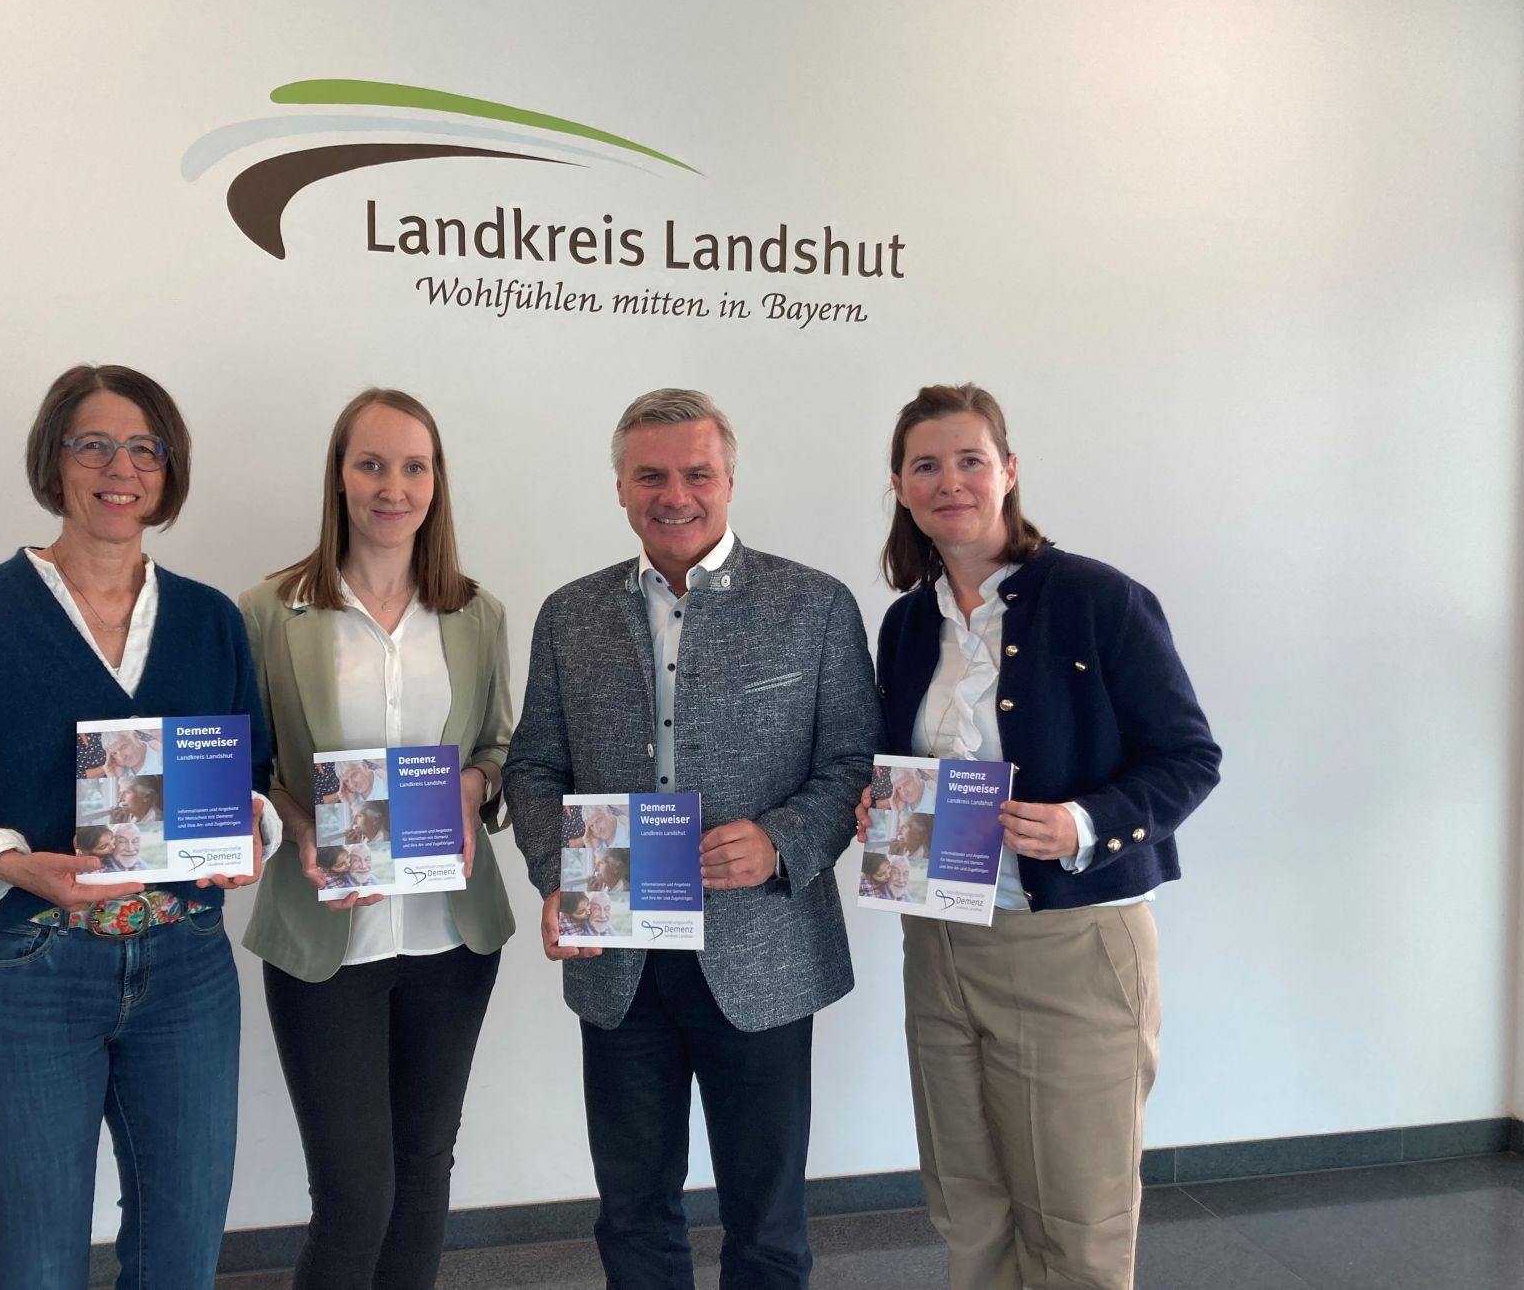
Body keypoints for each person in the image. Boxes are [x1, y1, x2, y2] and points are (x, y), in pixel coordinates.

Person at [0, 363, 274, 1289]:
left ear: (167, 470)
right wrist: (19, 865)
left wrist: (248, 829)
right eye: (94, 445)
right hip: (27, 975)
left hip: (188, 971)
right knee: (39, 1268)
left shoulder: (209, 620)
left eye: (144, 448)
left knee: (182, 1262)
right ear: (55, 460)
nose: (119, 468)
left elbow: (250, 775)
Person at [506, 388, 879, 1290]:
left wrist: (782, 841)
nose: (675, 495)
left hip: (764, 951)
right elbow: (534, 767)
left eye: (697, 474)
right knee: (633, 1211)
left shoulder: (816, 606)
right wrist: (560, 874)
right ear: (620, 488)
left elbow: (854, 765)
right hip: (620, 956)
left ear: (730, 480)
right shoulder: (569, 614)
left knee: (768, 1221)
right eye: (651, 476)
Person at [863, 382, 1221, 1290]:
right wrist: (877, 810)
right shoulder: (907, 624)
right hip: (939, 941)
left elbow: (1189, 757)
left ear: (1009, 471)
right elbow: (897, 762)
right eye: (926, 465)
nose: (950, 482)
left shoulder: (1100, 599)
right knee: (969, 1205)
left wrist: (1081, 822)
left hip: (1071, 946)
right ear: (900, 487)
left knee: (1077, 1217)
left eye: (970, 460)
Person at [238, 387, 516, 1290]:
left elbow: (499, 747)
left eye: (413, 467)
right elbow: (242, 765)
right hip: (326, 936)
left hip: (450, 936)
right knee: (355, 1198)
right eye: (371, 464)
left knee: (424, 1173)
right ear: (340, 477)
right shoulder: (269, 612)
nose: (393, 487)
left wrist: (473, 786)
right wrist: (296, 821)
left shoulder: (477, 614)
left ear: (436, 482)